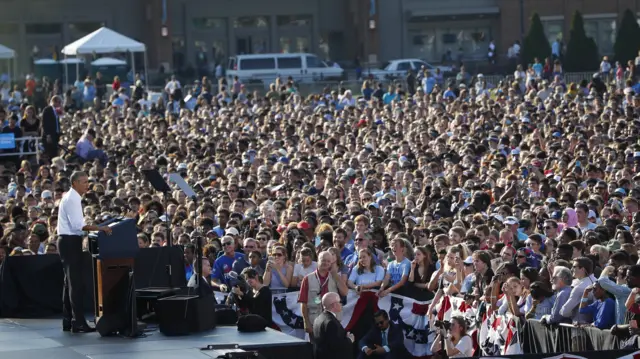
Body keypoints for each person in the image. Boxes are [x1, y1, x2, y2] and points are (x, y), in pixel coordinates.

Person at [57, 171, 112, 332]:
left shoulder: (71, 197)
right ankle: (79, 322)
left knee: (69, 283)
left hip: (67, 241)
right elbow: (77, 226)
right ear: (74, 183)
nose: (86, 185)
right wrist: (100, 228)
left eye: (87, 181)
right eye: (82, 182)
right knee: (75, 283)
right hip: (69, 241)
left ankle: (68, 320)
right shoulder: (72, 198)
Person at [313, 292, 355, 359]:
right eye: (340, 302)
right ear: (334, 305)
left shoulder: (318, 319)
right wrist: (349, 339)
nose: (341, 304)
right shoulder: (330, 322)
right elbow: (335, 345)